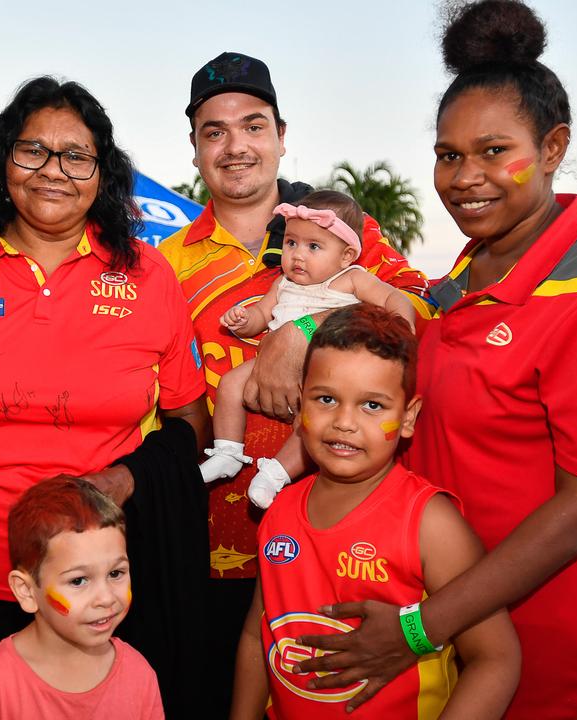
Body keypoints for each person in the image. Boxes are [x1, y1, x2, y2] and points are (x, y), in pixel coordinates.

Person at [287, 3, 577, 718]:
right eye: (448, 155)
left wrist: (418, 629)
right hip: (452, 641)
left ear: (554, 147)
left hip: (556, 658)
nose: (466, 177)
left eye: (495, 151)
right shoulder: (460, 285)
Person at [0, 76, 209, 715]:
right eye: (32, 151)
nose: (54, 171)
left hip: (95, 587)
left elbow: (193, 422)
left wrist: (127, 480)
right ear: (4, 160)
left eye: (76, 155)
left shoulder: (147, 273)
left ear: (102, 172)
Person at [157, 51, 429, 716]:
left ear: (282, 136)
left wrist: (300, 335)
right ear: (194, 148)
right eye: (213, 131)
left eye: (253, 126)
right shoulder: (165, 263)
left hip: (340, 536)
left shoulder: (338, 235)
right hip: (209, 549)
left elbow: (419, 316)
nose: (235, 147)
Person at [229, 305, 520, 719]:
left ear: (408, 418)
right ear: (300, 403)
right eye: (326, 399)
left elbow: (496, 659)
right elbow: (257, 637)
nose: (345, 422)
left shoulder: (430, 524)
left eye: (372, 406)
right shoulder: (279, 509)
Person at [200, 191, 414, 508]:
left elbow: (396, 298)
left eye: (313, 246)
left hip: (329, 372)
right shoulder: (283, 283)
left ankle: (276, 473)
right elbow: (260, 316)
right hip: (268, 363)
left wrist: (402, 327)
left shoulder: (351, 279)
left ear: (345, 255)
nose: (298, 255)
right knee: (231, 383)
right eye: (291, 243)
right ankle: (227, 450)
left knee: (309, 421)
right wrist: (241, 320)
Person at [0, 477, 164, 719]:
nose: (105, 598)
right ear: (26, 591)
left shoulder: (139, 674)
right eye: (78, 580)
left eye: (115, 573)